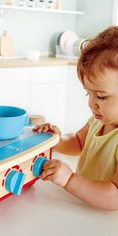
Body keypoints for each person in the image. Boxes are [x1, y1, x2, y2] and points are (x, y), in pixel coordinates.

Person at [34, 26, 118, 210]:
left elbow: (114, 197)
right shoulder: (98, 120)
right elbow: (79, 142)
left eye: (101, 96)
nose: (92, 103)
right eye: (88, 94)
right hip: (82, 202)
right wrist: (56, 140)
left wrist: (69, 179)